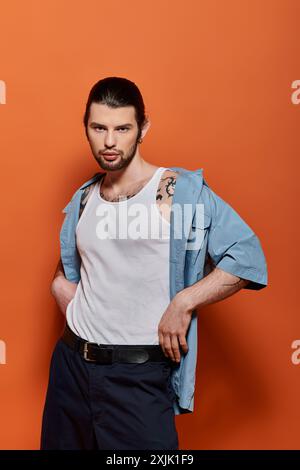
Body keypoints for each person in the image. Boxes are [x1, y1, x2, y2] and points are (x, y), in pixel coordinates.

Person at [40, 76, 268, 450]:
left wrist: (184, 301)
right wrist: (59, 285)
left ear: (142, 128)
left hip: (138, 375)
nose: (109, 141)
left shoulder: (176, 190)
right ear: (86, 128)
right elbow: (73, 264)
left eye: (122, 128)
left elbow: (247, 256)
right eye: (99, 128)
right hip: (71, 370)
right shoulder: (84, 196)